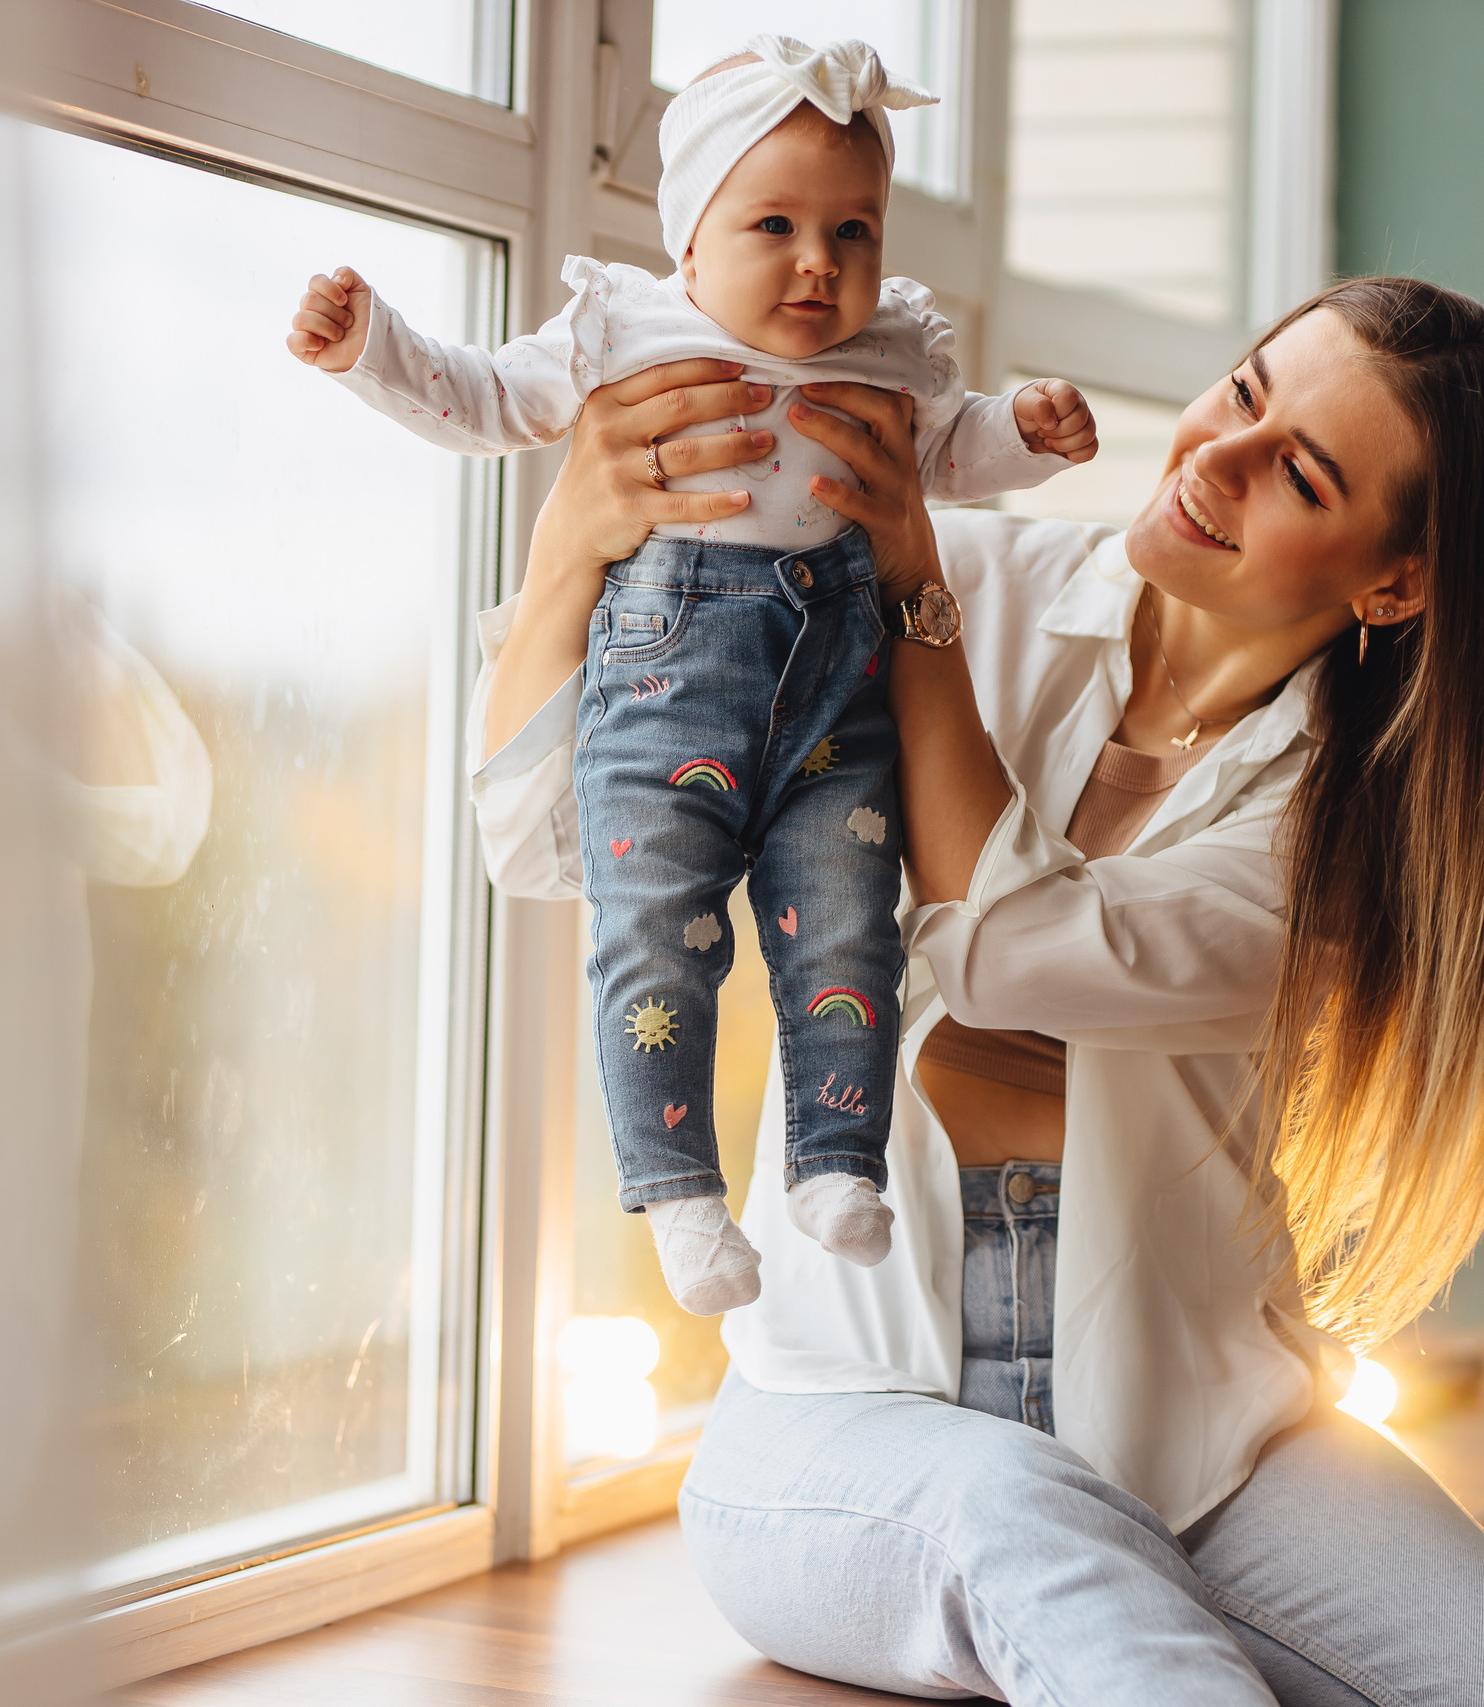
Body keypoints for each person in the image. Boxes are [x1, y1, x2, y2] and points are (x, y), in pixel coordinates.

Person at [471, 277, 1484, 1702]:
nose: (1213, 455)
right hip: (845, 1417)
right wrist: (570, 550)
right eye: (1244, 391)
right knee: (1058, 1560)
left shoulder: (1351, 843)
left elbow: (1006, 941)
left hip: (1199, 1442)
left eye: (1300, 472)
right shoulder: (976, 571)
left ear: (1393, 582)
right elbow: (551, 846)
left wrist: (909, 606)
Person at [288, 36, 1096, 1316]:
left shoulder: (891, 352)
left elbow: (955, 452)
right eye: (773, 224)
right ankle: (677, 1195)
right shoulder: (626, 327)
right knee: (656, 936)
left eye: (854, 229)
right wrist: (370, 348)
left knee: (846, 929)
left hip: (839, 698)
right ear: (690, 239)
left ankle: (837, 1162)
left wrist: (1030, 434)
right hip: (668, 687)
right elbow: (487, 400)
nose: (819, 262)